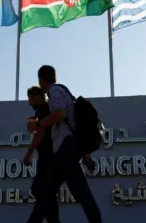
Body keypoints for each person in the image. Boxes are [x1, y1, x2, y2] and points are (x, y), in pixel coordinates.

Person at [34, 65, 102, 223]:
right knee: (81, 193)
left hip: (66, 147)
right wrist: (84, 154)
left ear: (40, 80)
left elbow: (59, 114)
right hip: (71, 148)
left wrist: (40, 123)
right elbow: (74, 123)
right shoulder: (64, 92)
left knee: (46, 188)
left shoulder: (54, 91)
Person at [23, 86, 60, 223]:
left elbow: (41, 133)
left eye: (30, 99)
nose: (29, 103)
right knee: (47, 192)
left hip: (48, 156)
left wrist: (29, 151)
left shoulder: (43, 110)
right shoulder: (46, 109)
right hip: (50, 155)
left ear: (37, 97)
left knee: (39, 190)